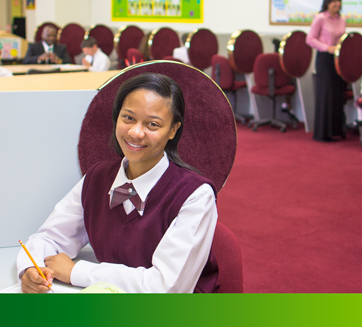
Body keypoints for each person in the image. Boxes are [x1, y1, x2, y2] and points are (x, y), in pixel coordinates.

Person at [17, 73, 219, 293]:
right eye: (128, 118)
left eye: (152, 124)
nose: (135, 132)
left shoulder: (195, 195)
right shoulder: (98, 177)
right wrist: (31, 266)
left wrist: (76, 272)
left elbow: (166, 287)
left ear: (173, 130)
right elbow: (50, 237)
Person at [306, 0, 347, 142]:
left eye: (338, 0)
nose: (336, 4)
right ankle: (323, 133)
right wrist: (327, 47)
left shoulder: (341, 19)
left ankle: (337, 130)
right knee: (326, 94)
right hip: (324, 58)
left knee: (337, 94)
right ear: (327, 3)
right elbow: (310, 39)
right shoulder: (320, 18)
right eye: (333, 1)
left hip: (338, 60)